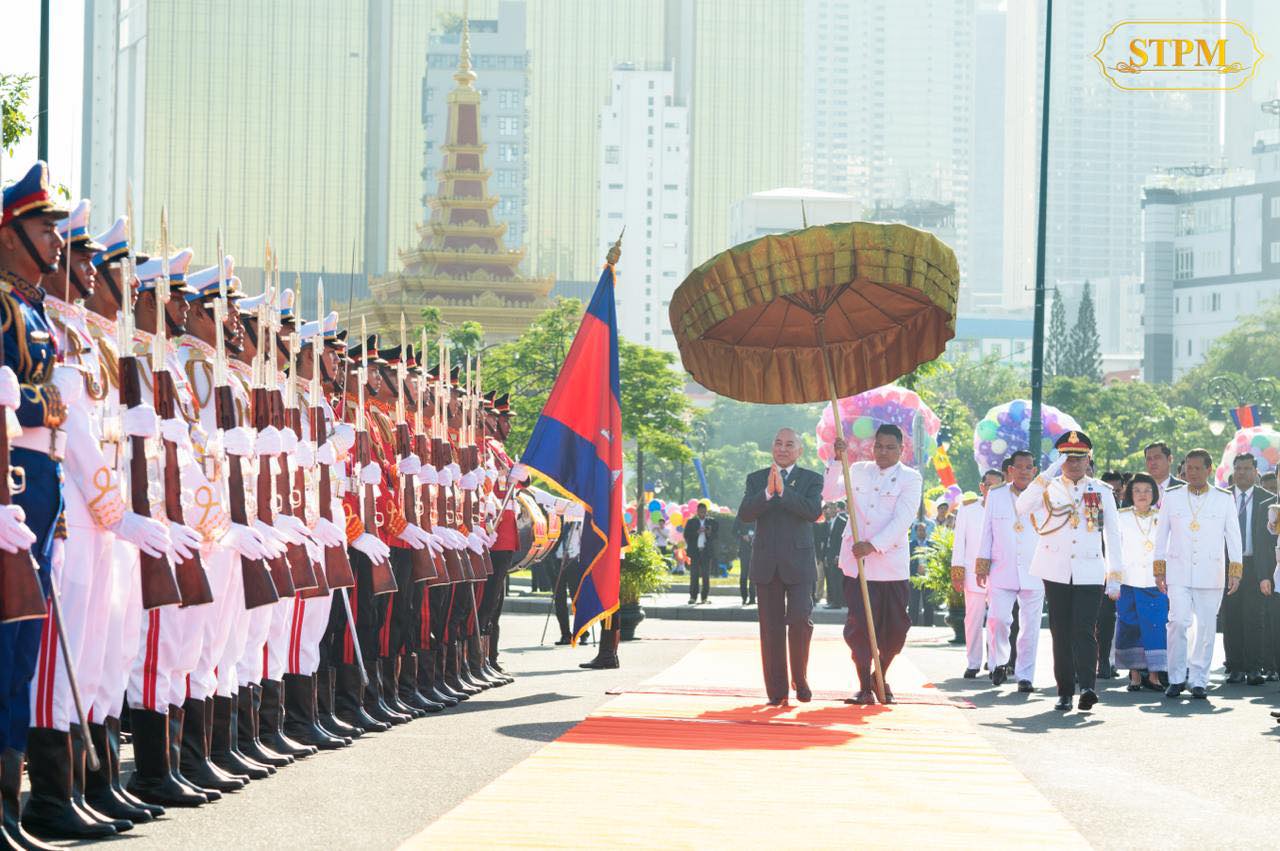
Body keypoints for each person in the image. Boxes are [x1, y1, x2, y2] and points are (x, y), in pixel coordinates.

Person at [1016, 431, 1122, 711]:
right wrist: (1050, 470)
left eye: (1079, 458)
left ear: (1089, 459)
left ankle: (1087, 686)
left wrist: (1115, 575)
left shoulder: (1101, 490)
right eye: (1067, 458)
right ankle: (1064, 691)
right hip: (1056, 569)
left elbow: (1113, 534)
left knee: (1085, 629)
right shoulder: (1048, 486)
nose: (1073, 463)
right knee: (1060, 631)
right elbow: (1022, 505)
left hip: (1089, 568)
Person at [825, 426, 923, 705]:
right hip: (858, 565)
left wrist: (874, 544)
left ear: (901, 450)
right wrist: (836, 460)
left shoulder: (910, 478)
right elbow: (830, 493)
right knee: (858, 628)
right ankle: (863, 686)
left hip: (890, 566)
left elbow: (903, 519)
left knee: (894, 632)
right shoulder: (857, 470)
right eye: (879, 446)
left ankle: (880, 676)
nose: (882, 452)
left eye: (890, 447)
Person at [737, 428, 823, 707]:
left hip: (799, 564)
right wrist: (766, 493)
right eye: (778, 443)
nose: (783, 448)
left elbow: (812, 512)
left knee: (800, 620)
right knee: (770, 629)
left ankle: (800, 677)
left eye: (789, 444)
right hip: (766, 564)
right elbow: (745, 514)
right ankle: (777, 691)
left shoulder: (811, 479)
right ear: (772, 448)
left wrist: (784, 492)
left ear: (800, 450)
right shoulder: (756, 479)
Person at [1154, 449, 1242, 699]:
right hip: (1178, 570)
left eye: (1197, 468)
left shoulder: (1223, 498)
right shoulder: (1172, 497)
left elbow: (1233, 536)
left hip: (1210, 571)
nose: (1191, 472)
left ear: (1208, 469)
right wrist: (1158, 568)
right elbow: (1161, 534)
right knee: (1178, 622)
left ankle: (1199, 679)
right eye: (1188, 468)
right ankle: (1176, 678)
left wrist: (1235, 570)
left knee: (1205, 627)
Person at [978, 451, 1045, 692]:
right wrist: (982, 564)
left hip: (1034, 569)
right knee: (998, 619)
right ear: (1010, 470)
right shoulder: (996, 495)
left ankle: (1025, 675)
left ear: (1035, 471)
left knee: (1030, 626)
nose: (1025, 471)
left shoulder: (1043, 495)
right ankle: (998, 663)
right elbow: (987, 531)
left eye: (1029, 467)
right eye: (1020, 467)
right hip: (1001, 567)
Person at [1221, 453, 1276, 685]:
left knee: (1254, 618)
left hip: (1255, 565)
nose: (1241, 473)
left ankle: (1253, 668)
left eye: (1246, 468)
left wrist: (1267, 574)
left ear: (1256, 471)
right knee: (1230, 617)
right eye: (1238, 468)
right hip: (1227, 565)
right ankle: (1235, 667)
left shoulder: (1269, 499)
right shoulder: (1222, 498)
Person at [1110, 473, 1167, 692]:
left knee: (1155, 625)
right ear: (1129, 494)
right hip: (1128, 579)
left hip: (1155, 580)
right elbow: (1113, 550)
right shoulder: (1120, 516)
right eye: (1137, 491)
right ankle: (1134, 675)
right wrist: (1113, 580)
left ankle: (1154, 675)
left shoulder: (1163, 517)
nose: (1142, 495)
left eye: (1147, 491)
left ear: (1154, 493)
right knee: (1129, 624)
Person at [951, 472, 1003, 678]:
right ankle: (973, 662)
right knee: (972, 619)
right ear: (982, 487)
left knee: (996, 619)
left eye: (997, 486)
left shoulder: (1007, 508)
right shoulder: (969, 508)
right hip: (973, 575)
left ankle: (994, 663)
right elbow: (959, 543)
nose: (992, 490)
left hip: (999, 574)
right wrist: (957, 572)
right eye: (989, 486)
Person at [684, 502, 718, 605]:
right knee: (694, 575)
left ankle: (704, 597)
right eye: (700, 511)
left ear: (706, 511)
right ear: (697, 511)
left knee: (705, 575)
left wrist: (708, 533)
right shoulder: (691, 522)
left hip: (706, 552)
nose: (702, 513)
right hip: (695, 552)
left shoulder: (711, 522)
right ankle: (693, 597)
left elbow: (716, 536)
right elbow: (686, 535)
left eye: (704, 511)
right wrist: (697, 532)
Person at [907, 520, 934, 627]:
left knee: (929, 603)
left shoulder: (932, 545)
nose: (922, 532)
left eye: (923, 530)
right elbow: (907, 561)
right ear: (916, 532)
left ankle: (929, 624)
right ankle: (912, 625)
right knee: (913, 602)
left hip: (928, 578)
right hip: (915, 578)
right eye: (919, 530)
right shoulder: (910, 545)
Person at [823, 502, 847, 608]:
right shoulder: (831, 521)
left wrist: (838, 554)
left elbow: (842, 540)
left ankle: (838, 602)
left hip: (837, 555)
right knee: (832, 578)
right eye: (828, 508)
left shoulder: (841, 521)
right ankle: (834, 600)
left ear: (836, 509)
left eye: (832, 508)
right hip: (830, 553)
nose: (829, 510)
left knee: (837, 579)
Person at [733, 514, 756, 605]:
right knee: (744, 574)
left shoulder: (757, 514)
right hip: (744, 549)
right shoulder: (740, 516)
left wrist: (755, 535)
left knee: (753, 574)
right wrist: (742, 536)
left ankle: (752, 598)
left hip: (756, 549)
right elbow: (734, 531)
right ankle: (744, 596)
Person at [811, 507, 832, 604]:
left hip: (818, 554)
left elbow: (820, 541)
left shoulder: (820, 525)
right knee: (817, 577)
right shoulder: (816, 524)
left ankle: (817, 595)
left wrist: (820, 556)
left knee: (819, 576)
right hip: (814, 554)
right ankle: (816, 595)